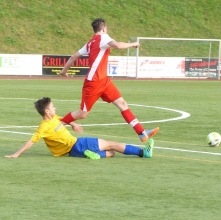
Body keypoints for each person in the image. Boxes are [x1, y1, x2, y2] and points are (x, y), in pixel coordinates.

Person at [59, 17, 158, 142]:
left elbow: (74, 57)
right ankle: (57, 127)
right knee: (82, 114)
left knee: (122, 104)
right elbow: (117, 45)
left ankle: (141, 133)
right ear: (104, 28)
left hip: (104, 81)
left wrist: (64, 71)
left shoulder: (90, 42)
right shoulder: (103, 37)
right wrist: (133, 44)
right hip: (93, 83)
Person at [4, 97, 154, 160]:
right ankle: (143, 152)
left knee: (111, 153)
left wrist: (73, 124)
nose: (55, 108)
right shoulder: (43, 127)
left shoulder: (53, 118)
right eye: (53, 107)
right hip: (77, 144)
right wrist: (16, 154)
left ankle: (93, 154)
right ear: (47, 112)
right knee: (112, 144)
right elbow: (31, 141)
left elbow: (63, 119)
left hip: (72, 152)